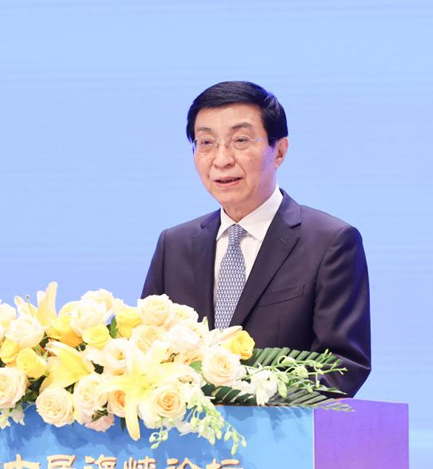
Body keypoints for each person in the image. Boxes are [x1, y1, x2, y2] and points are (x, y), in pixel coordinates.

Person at [141, 81, 370, 396]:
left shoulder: (330, 243)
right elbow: (147, 351)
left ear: (280, 151)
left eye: (240, 140)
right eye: (206, 142)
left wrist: (244, 398)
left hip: (279, 425)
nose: (222, 159)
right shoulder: (174, 245)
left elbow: (342, 367)